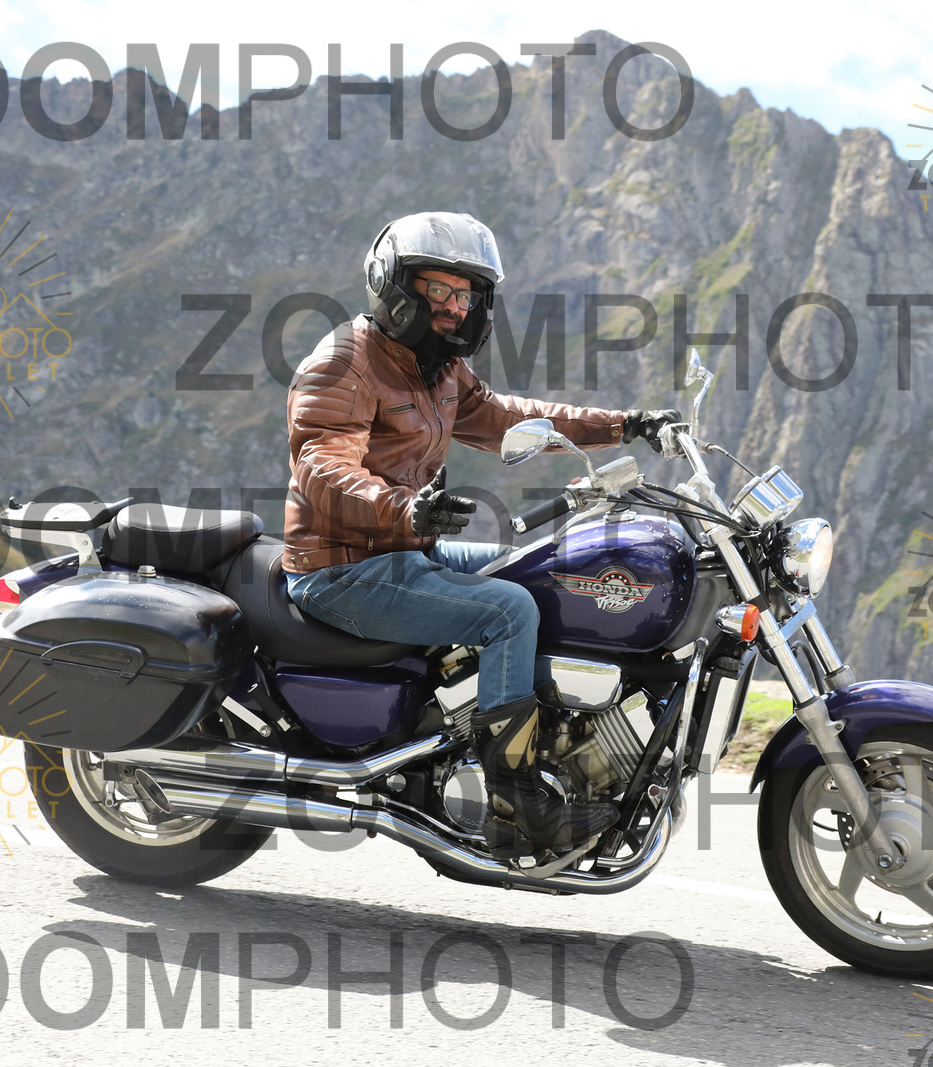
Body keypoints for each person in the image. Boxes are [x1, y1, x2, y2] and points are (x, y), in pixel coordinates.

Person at [282, 211, 678, 858]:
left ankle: (548, 741)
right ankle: (514, 804)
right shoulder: (344, 363)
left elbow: (509, 418)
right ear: (394, 284)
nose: (452, 307)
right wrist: (402, 509)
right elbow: (322, 464)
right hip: (342, 568)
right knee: (509, 610)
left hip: (405, 549)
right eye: (439, 290)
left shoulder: (436, 368)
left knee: (539, 570)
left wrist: (625, 425)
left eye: (465, 296)